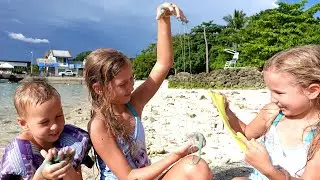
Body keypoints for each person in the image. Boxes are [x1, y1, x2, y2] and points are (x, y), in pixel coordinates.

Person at [84, 2, 213, 180]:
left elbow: (163, 64)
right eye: (123, 84)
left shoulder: (133, 104)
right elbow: (129, 176)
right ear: (98, 88)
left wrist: (163, 19)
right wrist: (177, 154)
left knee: (196, 166)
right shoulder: (99, 125)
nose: (131, 86)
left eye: (132, 79)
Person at [220, 45, 320, 179]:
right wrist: (226, 111)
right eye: (270, 91)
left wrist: (268, 169)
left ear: (312, 91)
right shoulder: (273, 113)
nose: (272, 98)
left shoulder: (316, 135)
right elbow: (247, 134)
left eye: (279, 92)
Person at [0, 80, 92, 179]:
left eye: (59, 116)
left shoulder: (70, 141)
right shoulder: (20, 153)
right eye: (44, 122)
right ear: (24, 124)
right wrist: (42, 176)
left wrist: (68, 171)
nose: (55, 126)